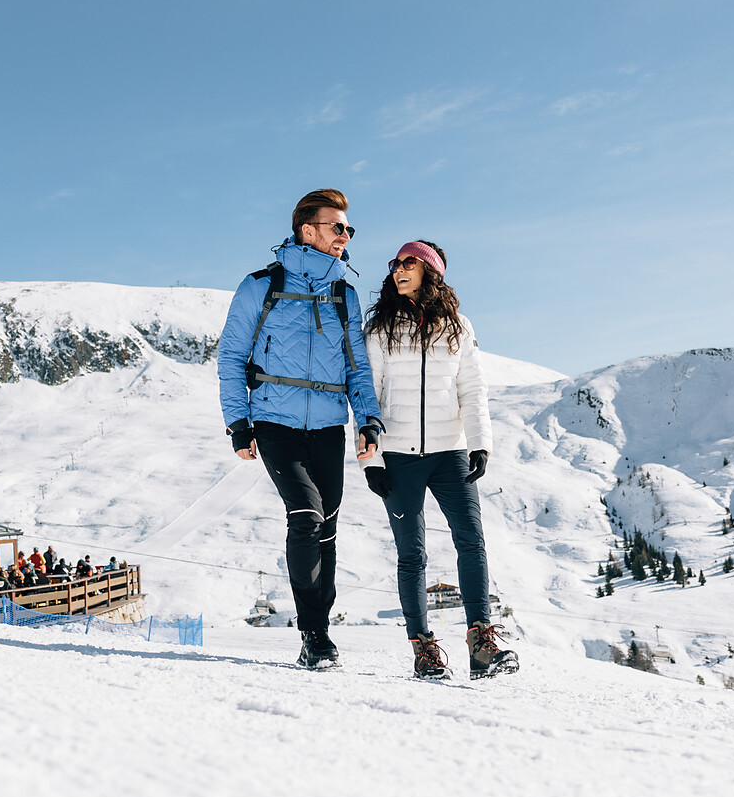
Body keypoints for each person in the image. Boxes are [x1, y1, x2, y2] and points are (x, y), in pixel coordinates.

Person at [218, 187, 382, 670]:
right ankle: (313, 634)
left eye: (349, 229)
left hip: (329, 425)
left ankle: (320, 632)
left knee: (327, 526)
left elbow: (357, 367)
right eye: (338, 227)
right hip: (274, 423)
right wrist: (237, 421)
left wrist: (367, 417)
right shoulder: (259, 285)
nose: (345, 236)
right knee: (307, 515)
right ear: (308, 230)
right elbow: (231, 356)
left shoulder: (343, 294)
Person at [361, 240, 517, 681]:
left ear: (430, 270)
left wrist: (480, 443)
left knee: (472, 541)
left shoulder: (458, 327)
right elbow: (366, 396)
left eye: (408, 262)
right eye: (394, 264)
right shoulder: (380, 329)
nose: (397, 269)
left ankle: (480, 644)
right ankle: (423, 649)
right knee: (412, 554)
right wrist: (369, 462)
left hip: (451, 452)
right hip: (398, 455)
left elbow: (473, 389)